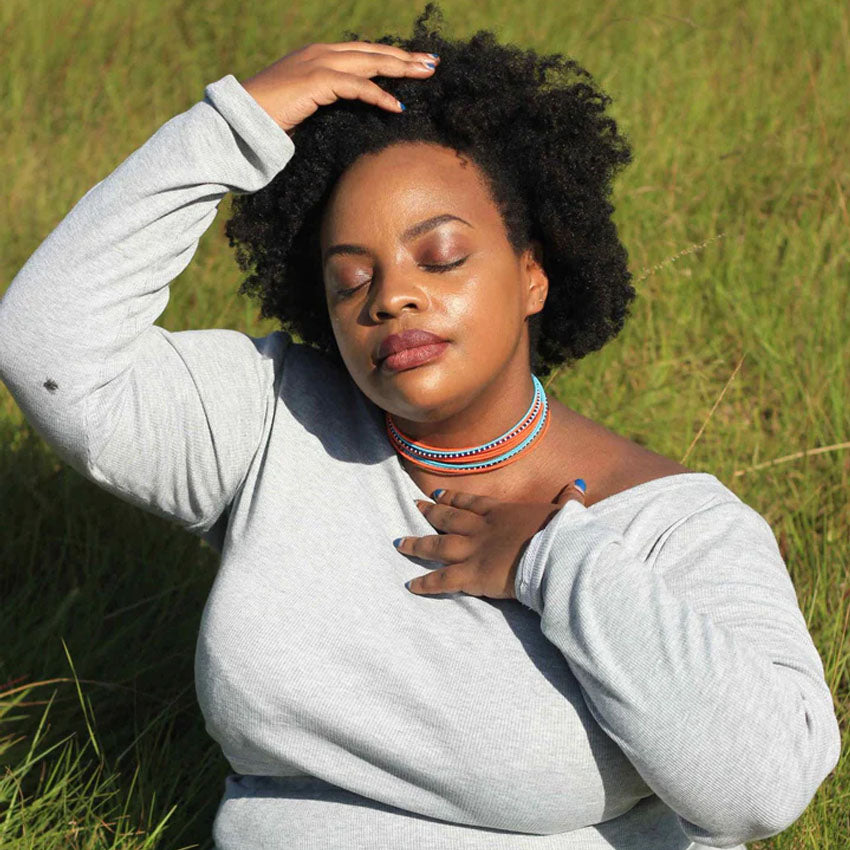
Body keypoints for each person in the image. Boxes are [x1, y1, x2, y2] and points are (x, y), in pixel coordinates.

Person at [0, 4, 840, 848]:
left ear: (534, 274)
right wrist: (232, 127)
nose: (391, 296)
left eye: (440, 257)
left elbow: (763, 790)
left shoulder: (674, 523)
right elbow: (46, 347)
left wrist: (556, 561)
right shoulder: (273, 423)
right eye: (349, 280)